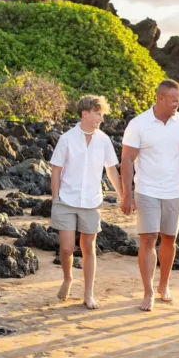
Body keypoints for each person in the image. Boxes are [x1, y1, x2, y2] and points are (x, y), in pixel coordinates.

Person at [120, 79, 179, 311]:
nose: (178, 104)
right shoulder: (139, 124)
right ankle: (148, 291)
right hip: (146, 189)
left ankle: (163, 285)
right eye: (174, 100)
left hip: (174, 190)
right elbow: (127, 159)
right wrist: (127, 194)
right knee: (148, 238)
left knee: (169, 239)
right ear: (160, 98)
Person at [49, 95, 123, 309]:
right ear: (85, 114)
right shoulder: (67, 139)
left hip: (92, 201)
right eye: (98, 114)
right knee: (67, 248)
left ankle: (88, 293)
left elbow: (111, 170)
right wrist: (55, 199)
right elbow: (56, 170)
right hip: (66, 200)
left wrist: (123, 196)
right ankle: (68, 278)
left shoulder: (104, 140)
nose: (101, 118)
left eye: (102, 114)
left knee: (89, 247)